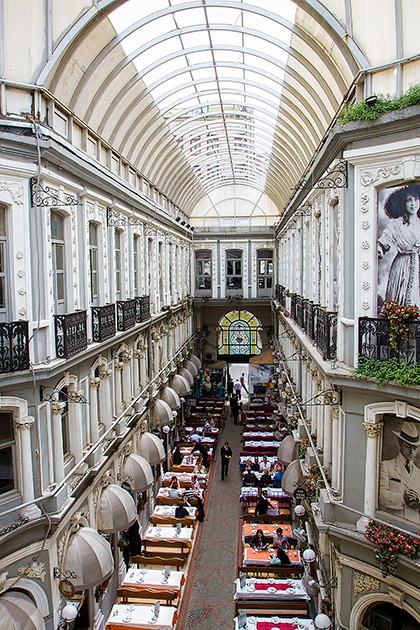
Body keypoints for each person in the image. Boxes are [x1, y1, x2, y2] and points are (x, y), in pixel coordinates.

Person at [378, 185, 420, 306]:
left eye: (416, 199)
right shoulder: (397, 225)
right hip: (402, 267)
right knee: (401, 300)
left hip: (418, 266)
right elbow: (384, 241)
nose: (413, 203)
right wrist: (379, 250)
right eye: (409, 200)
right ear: (404, 203)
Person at [379, 421, 420, 522]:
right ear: (400, 442)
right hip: (393, 522)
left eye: (415, 448)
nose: (411, 452)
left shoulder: (419, 473)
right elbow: (380, 497)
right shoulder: (387, 466)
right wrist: (403, 498)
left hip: (414, 525)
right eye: (408, 446)